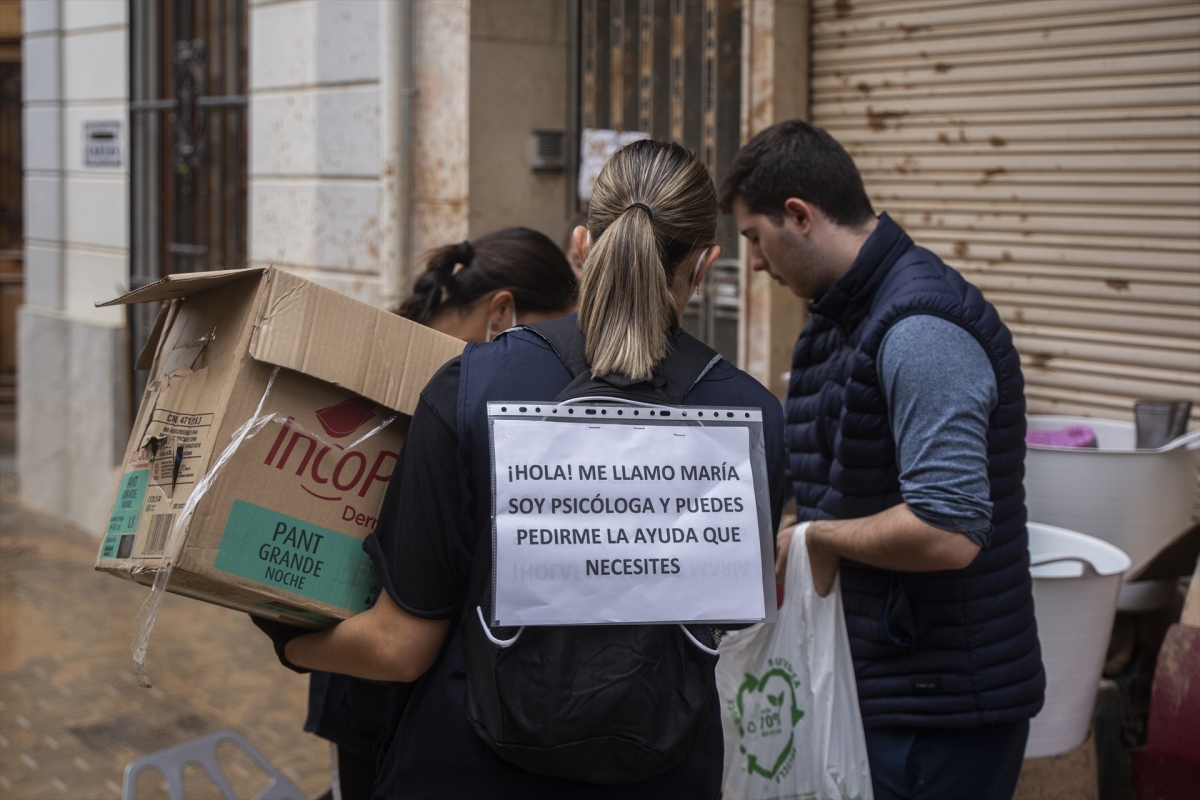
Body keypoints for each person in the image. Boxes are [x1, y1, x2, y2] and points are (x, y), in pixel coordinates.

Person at [258, 139, 786, 798]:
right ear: (705, 263)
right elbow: (725, 624)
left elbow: (400, 644)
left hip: (469, 771)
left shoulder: (471, 387)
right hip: (666, 775)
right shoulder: (754, 422)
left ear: (583, 243)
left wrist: (289, 643)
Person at [718, 119, 1045, 800]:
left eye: (753, 238)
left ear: (799, 216)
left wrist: (814, 538)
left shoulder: (920, 330)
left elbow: (948, 530)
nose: (752, 262)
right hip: (885, 684)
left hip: (938, 712)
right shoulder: (839, 319)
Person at [289, 227, 579, 800]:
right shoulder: (457, 400)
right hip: (388, 689)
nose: (560, 359)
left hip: (370, 680)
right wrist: (290, 646)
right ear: (503, 312)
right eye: (553, 333)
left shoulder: (390, 367)